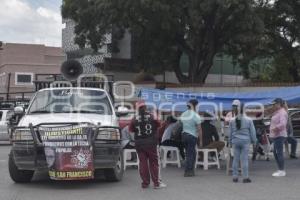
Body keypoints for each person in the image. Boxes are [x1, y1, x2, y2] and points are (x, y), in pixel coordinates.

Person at [129, 100, 166, 189]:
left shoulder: (134, 119)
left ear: (137, 109)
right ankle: (156, 183)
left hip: (139, 144)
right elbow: (159, 125)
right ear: (145, 107)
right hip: (151, 143)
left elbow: (131, 130)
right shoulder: (151, 116)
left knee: (143, 163)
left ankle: (145, 183)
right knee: (153, 163)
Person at [229, 101, 257, 183]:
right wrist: (254, 141)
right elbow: (253, 132)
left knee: (235, 159)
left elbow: (230, 133)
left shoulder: (232, 120)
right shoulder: (249, 120)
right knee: (244, 159)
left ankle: (235, 177)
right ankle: (245, 177)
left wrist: (230, 142)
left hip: (235, 141)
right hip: (245, 141)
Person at [180, 99, 202, 177]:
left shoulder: (183, 114)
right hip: (192, 136)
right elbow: (199, 129)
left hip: (184, 135)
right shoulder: (195, 115)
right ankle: (188, 171)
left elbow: (182, 124)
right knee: (191, 154)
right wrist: (201, 140)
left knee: (189, 153)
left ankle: (190, 170)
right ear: (195, 106)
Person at [269, 98, 288, 177]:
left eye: (275, 104)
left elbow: (283, 124)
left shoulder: (282, 112)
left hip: (279, 135)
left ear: (279, 104)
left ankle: (282, 170)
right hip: (276, 135)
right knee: (275, 152)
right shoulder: (278, 112)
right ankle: (280, 169)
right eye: (273, 104)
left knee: (278, 153)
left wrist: (275, 128)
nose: (273, 105)